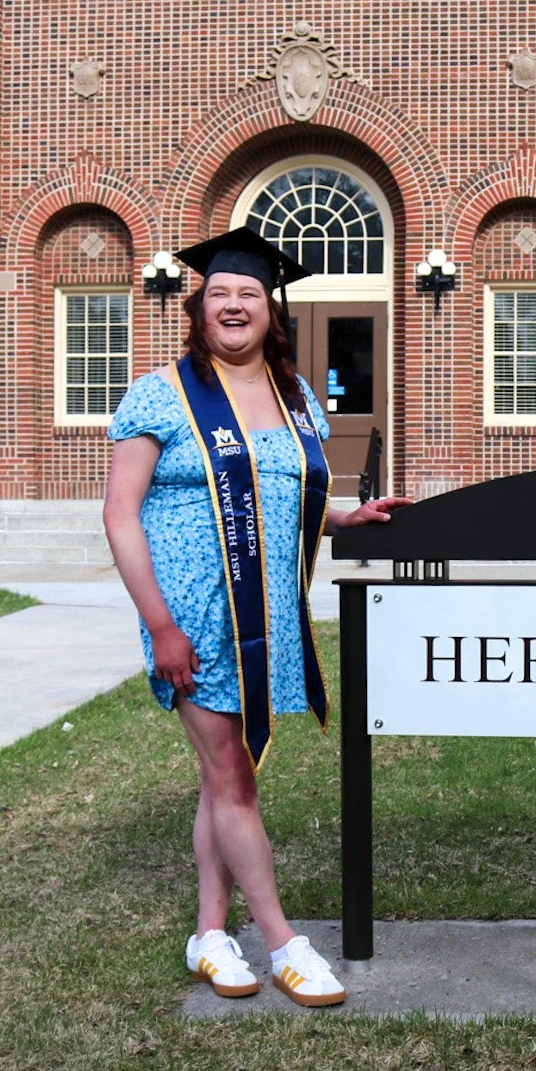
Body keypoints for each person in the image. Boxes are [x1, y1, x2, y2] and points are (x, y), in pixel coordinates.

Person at [101, 227, 410, 1007]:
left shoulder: (293, 397)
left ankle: (209, 932)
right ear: (198, 309)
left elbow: (283, 493)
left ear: (271, 312)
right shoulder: (161, 395)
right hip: (193, 616)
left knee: (222, 779)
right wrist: (160, 625)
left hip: (268, 613)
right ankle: (283, 942)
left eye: (248, 294)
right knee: (234, 778)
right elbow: (119, 514)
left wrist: (343, 517)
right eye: (219, 294)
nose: (233, 305)